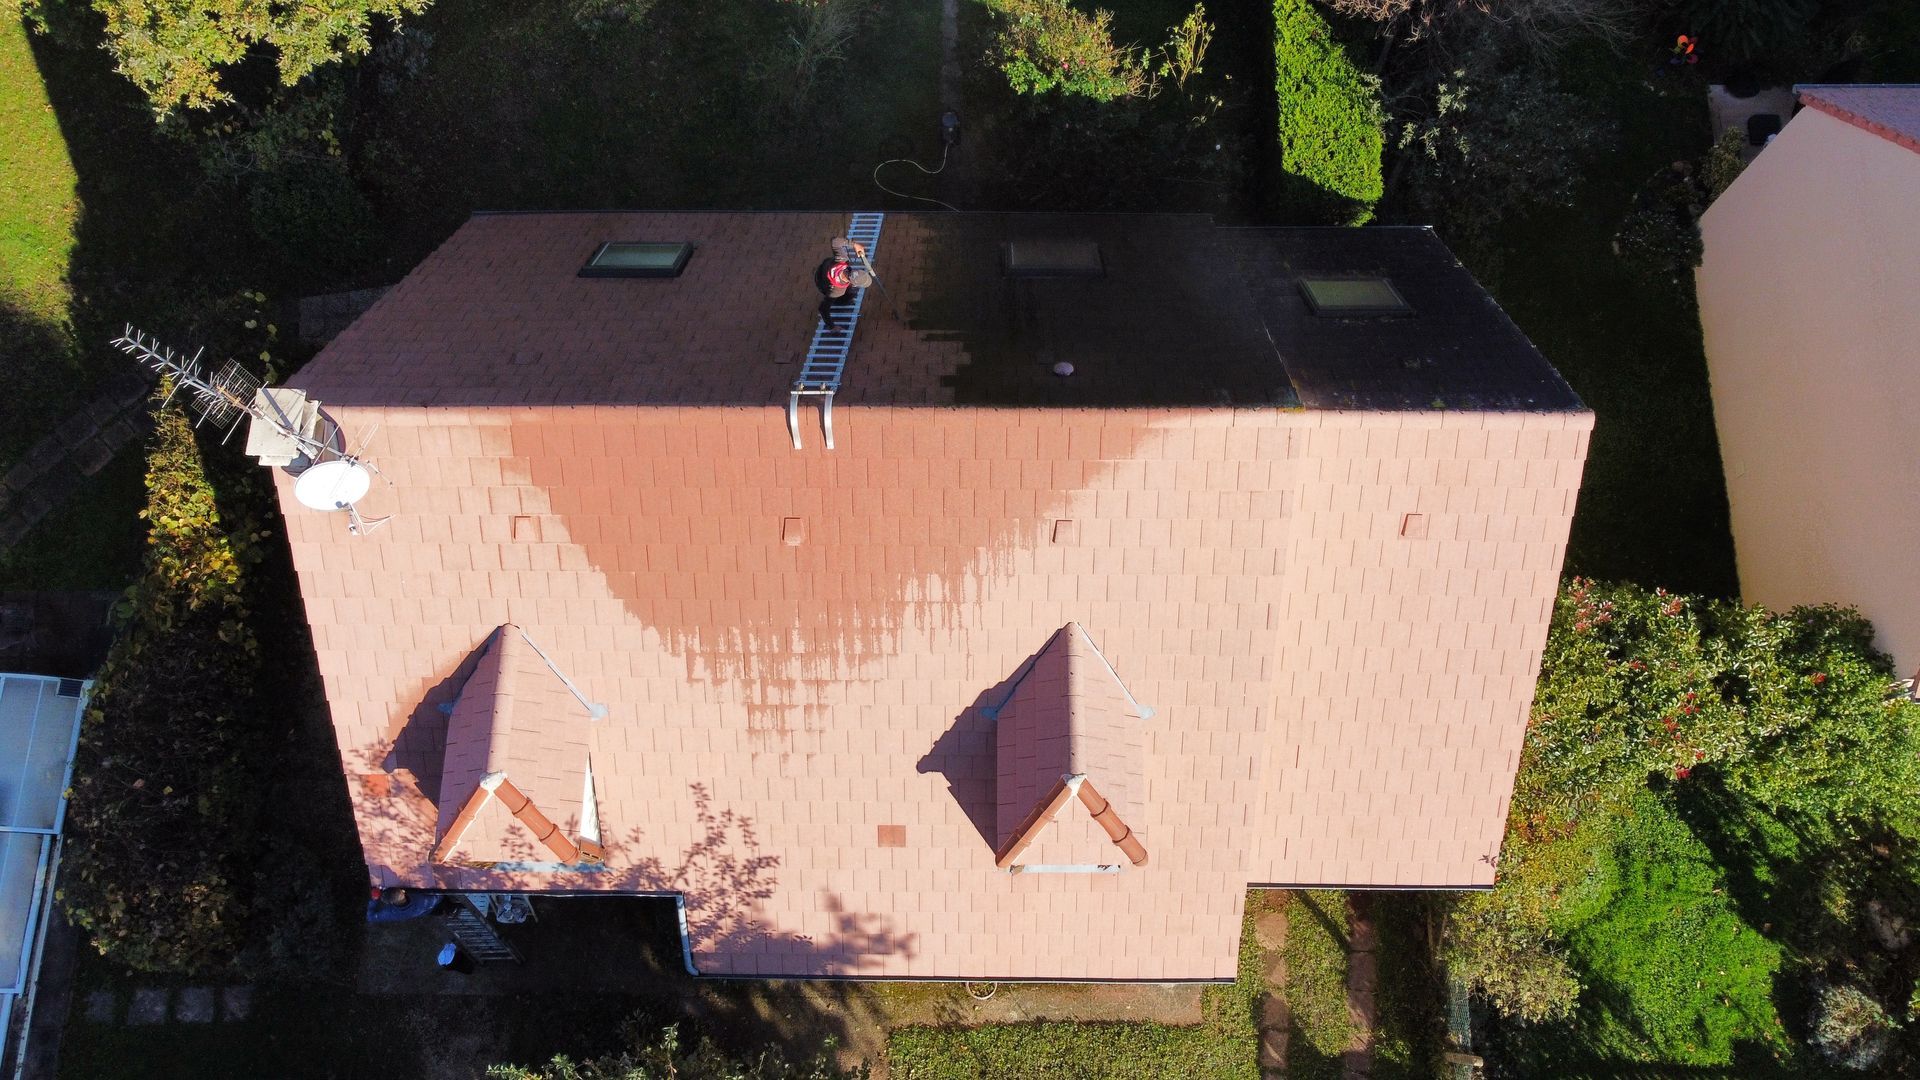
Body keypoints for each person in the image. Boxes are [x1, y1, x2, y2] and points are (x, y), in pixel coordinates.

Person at [814, 236, 874, 331]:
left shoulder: (842, 259)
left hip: (822, 270)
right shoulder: (838, 291)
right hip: (822, 283)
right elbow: (822, 308)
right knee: (847, 296)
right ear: (854, 284)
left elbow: (834, 241)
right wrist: (832, 326)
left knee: (846, 293)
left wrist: (854, 244)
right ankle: (840, 301)